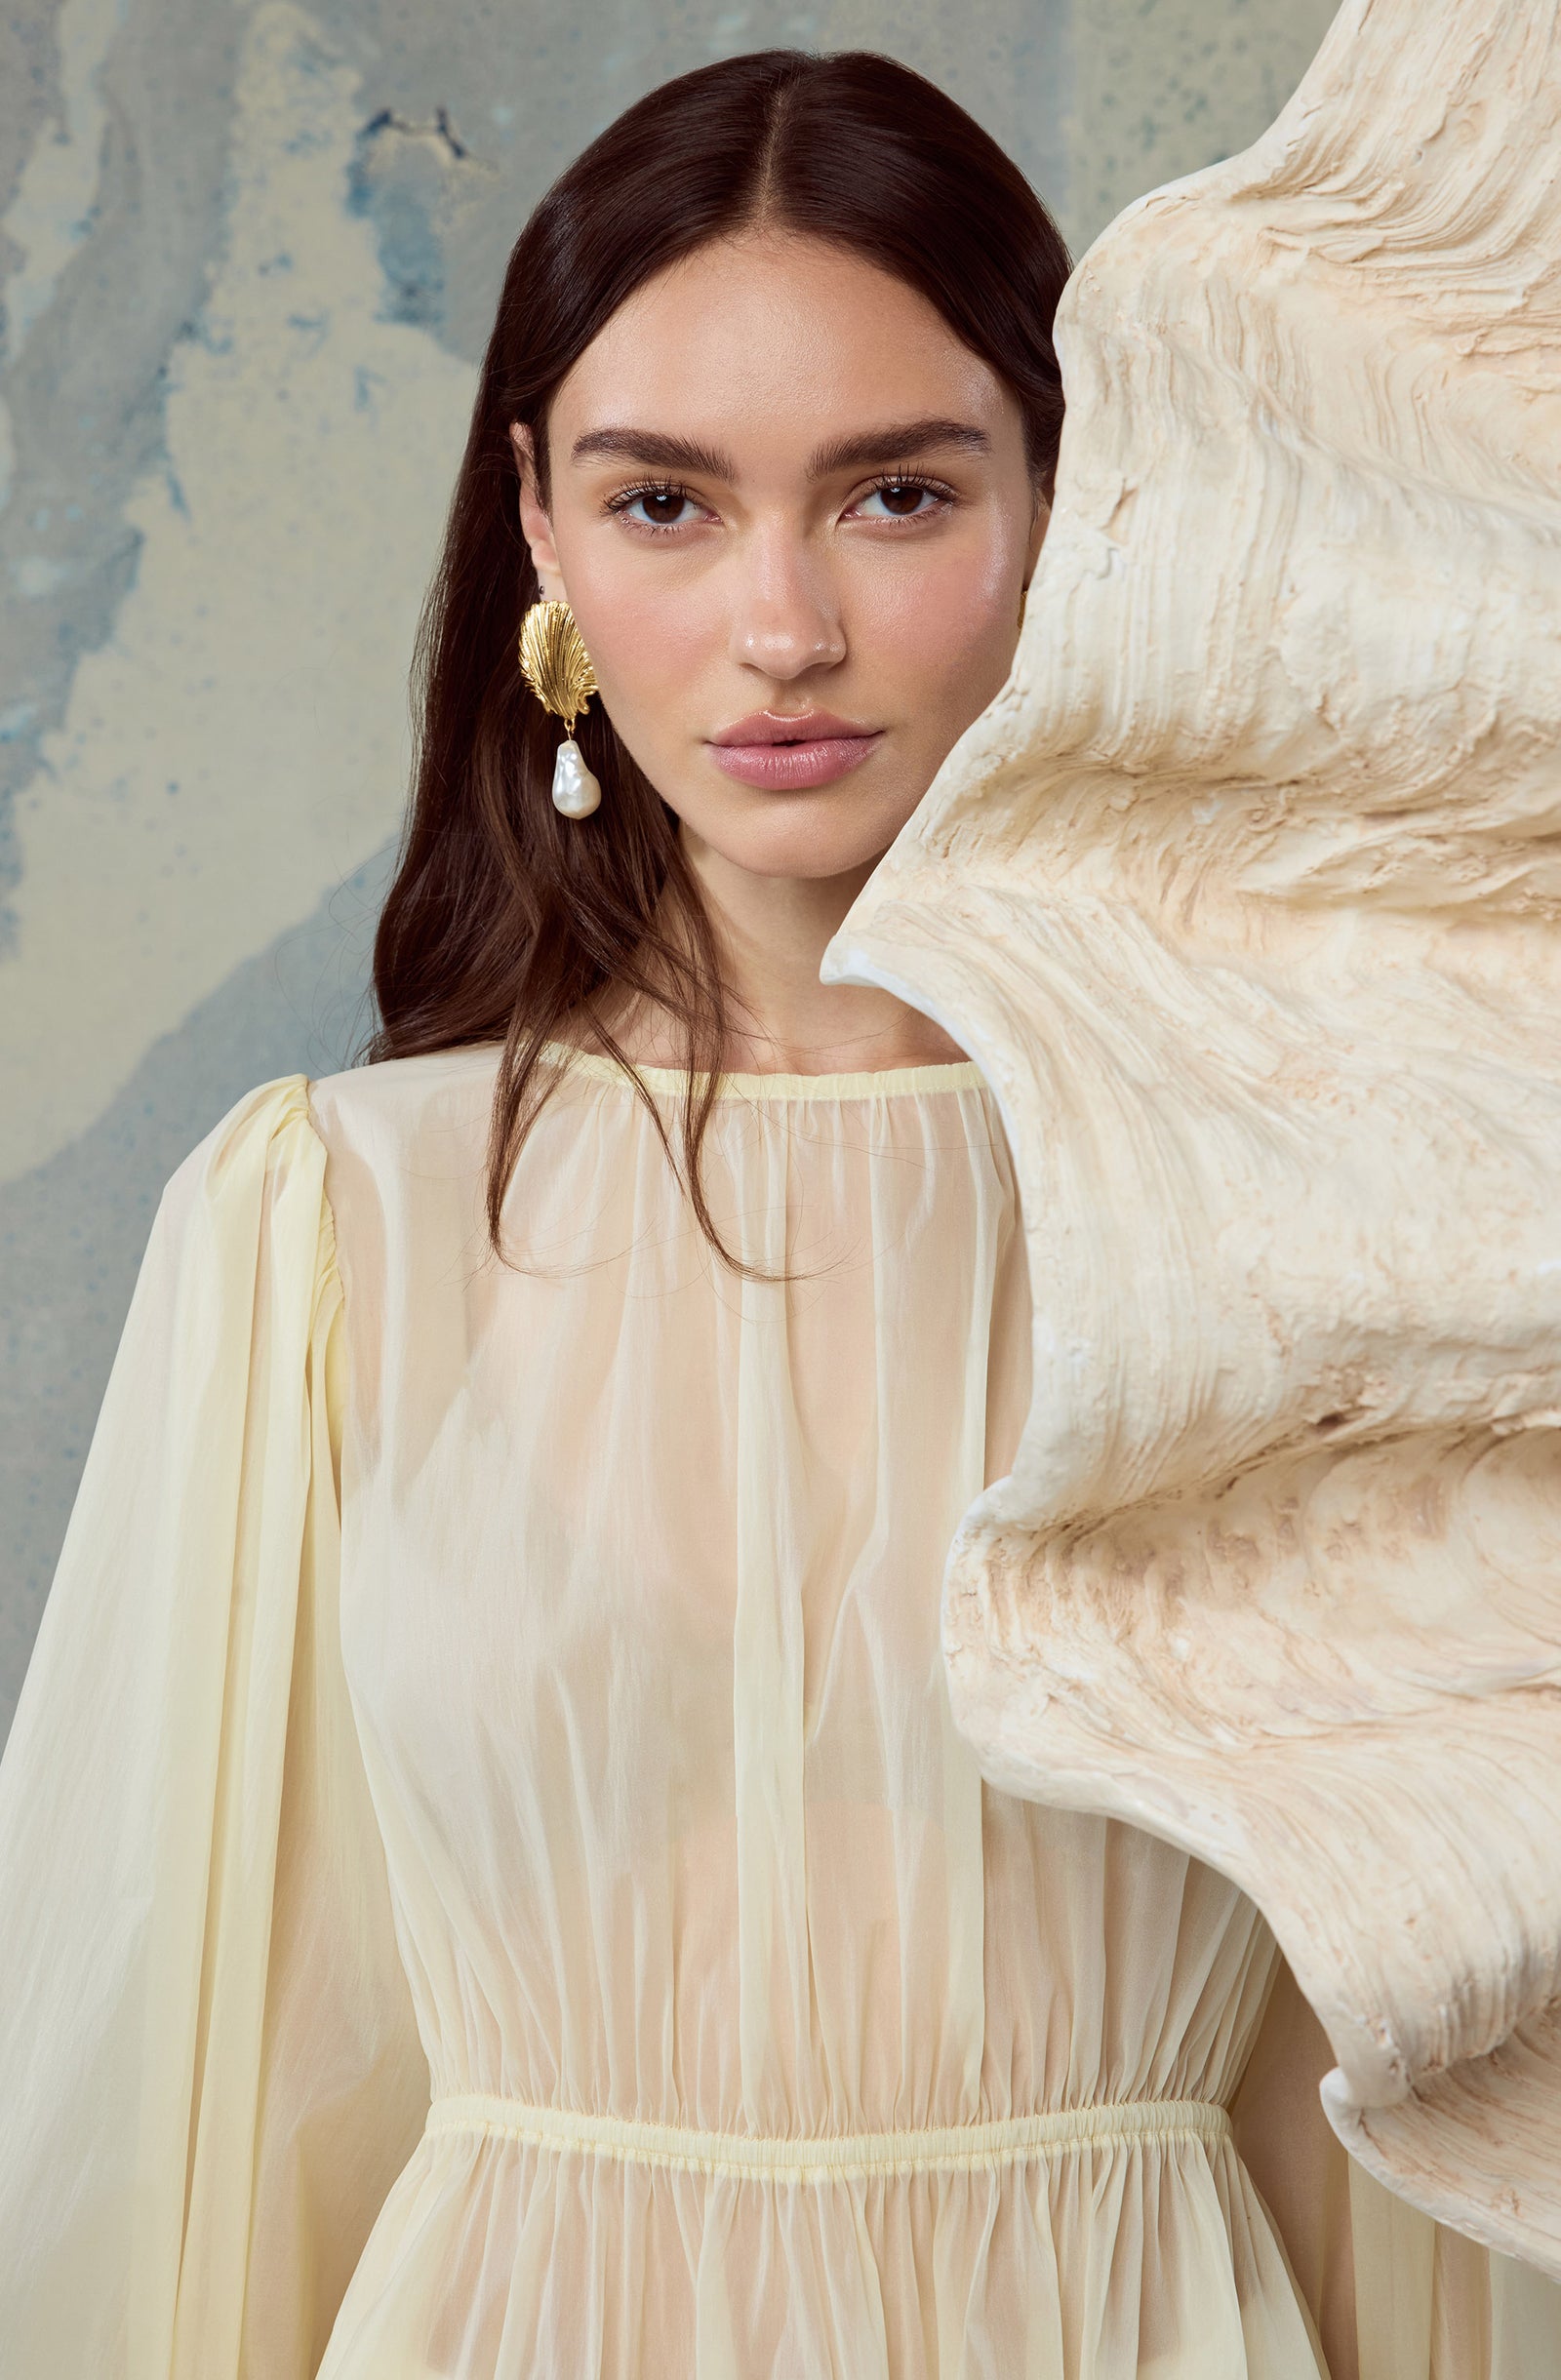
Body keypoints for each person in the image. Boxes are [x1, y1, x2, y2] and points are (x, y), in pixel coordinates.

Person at [0, 46, 1546, 2380]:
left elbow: (1417, 2123)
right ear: (533, 528)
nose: (782, 625)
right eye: (665, 503)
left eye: (896, 493)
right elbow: (207, 2118)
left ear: (1069, 496)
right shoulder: (326, 1230)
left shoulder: (1303, 1238)